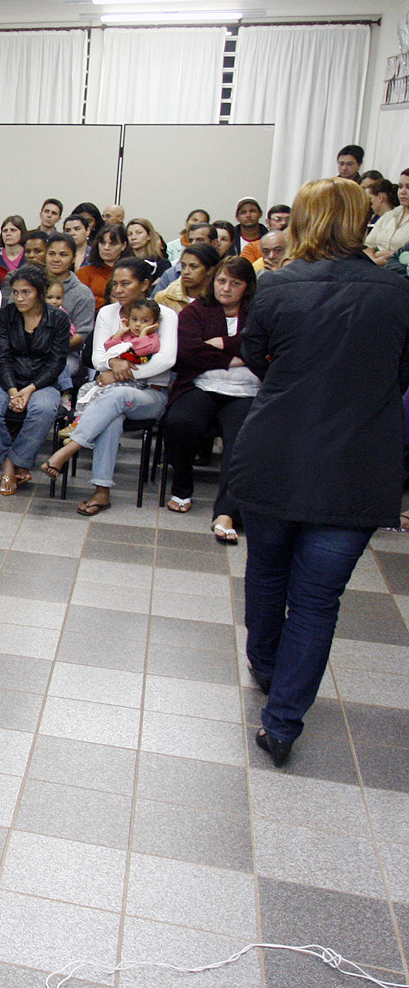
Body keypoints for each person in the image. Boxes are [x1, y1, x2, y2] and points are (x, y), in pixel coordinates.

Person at [224, 176, 409, 767]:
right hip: (358, 462)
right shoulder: (398, 291)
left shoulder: (277, 287)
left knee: (267, 571)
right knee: (317, 600)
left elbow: (256, 356)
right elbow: (401, 372)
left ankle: (267, 666)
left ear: (299, 222)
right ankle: (282, 723)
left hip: (277, 450)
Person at [41, 258, 178, 516]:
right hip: (109, 397)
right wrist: (113, 362)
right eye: (115, 283)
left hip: (150, 396)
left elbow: (165, 360)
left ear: (145, 284)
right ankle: (102, 491)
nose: (118, 290)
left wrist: (117, 374)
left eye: (126, 283)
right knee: (112, 414)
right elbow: (97, 358)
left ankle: (70, 448)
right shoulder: (108, 312)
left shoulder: (165, 314)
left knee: (119, 393)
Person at [163, 255, 259, 537]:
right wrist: (237, 357)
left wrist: (224, 344)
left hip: (247, 392)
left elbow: (265, 348)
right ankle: (181, 488)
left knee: (240, 437)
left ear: (247, 287)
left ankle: (227, 510)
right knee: (179, 422)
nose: (226, 288)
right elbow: (187, 353)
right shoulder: (196, 311)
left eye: (235, 283)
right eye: (221, 280)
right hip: (201, 385)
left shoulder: (258, 313)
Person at [0, 264, 69, 495]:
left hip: (42, 381)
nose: (19, 298)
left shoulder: (58, 318)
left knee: (44, 409)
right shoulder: (4, 316)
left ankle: (13, 461)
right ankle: (12, 461)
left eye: (26, 292)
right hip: (6, 380)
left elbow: (57, 362)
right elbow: (1, 357)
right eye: (15, 292)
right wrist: (12, 391)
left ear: (39, 292)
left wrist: (29, 390)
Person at [154, 242, 219, 313]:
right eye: (183, 266)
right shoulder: (164, 298)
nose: (186, 272)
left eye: (194, 266)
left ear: (210, 270)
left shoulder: (220, 297)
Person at [365, 169, 409, 265]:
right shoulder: (390, 215)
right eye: (400, 187)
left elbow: (405, 255)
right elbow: (368, 245)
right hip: (375, 268)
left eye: (408, 187)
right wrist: (374, 260)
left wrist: (379, 254)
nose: (402, 192)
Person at [78, 225, 127, 308]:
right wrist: (109, 301)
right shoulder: (85, 272)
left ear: (123, 246)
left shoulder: (131, 273)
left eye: (112, 244)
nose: (106, 248)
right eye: (102, 243)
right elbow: (82, 301)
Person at [0, 216, 28, 282]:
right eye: (5, 231)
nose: (8, 234)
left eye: (13, 230)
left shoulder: (30, 255)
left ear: (22, 232)